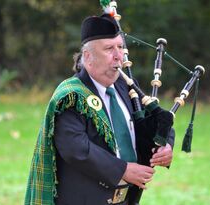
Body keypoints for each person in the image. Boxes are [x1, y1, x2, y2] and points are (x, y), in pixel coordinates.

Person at [25, 13, 175, 205]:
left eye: (120, 47)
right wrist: (123, 170)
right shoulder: (71, 96)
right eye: (109, 48)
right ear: (88, 57)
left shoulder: (126, 86)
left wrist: (166, 144)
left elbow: (154, 119)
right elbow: (76, 148)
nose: (118, 55)